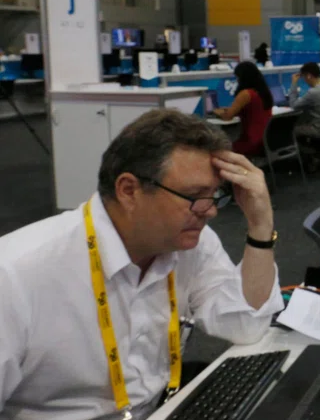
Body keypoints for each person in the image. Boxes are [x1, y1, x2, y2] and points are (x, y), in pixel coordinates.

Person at [0, 109, 283, 418]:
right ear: (129, 190)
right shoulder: (15, 274)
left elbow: (245, 326)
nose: (210, 210)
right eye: (194, 195)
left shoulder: (190, 243)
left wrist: (260, 226)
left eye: (214, 195)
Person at [214, 61, 274, 157]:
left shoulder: (246, 94)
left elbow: (227, 117)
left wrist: (216, 112)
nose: (237, 80)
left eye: (238, 77)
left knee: (219, 149)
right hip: (265, 140)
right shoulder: (263, 92)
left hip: (251, 142)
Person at [288, 62, 320, 140]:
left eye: (304, 77)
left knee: (291, 129)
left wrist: (294, 83)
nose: (304, 80)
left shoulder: (313, 92)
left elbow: (293, 105)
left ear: (309, 76)